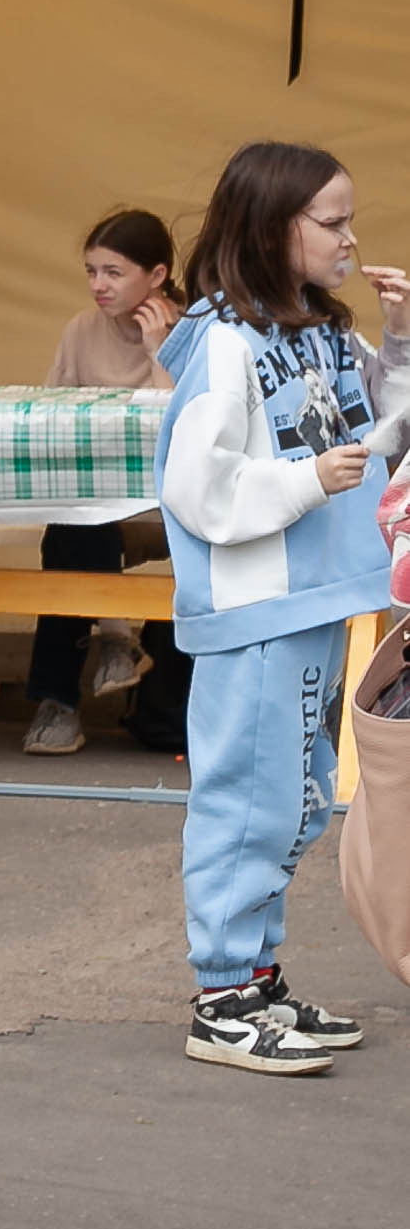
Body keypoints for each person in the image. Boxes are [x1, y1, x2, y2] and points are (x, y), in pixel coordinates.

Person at [156, 140, 388, 1078]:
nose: (349, 237)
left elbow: (390, 435)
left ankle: (255, 980)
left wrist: (401, 339)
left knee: (293, 798)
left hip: (318, 597)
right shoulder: (221, 339)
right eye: (330, 221)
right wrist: (301, 481)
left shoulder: (326, 331)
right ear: (270, 227)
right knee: (248, 799)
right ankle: (221, 999)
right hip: (258, 609)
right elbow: (192, 484)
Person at [23, 210, 188, 758]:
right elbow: (52, 414)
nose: (98, 286)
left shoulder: (192, 327)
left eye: (113, 273)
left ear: (157, 275)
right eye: (92, 271)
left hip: (177, 505)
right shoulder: (80, 330)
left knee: (76, 528)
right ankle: (69, 694)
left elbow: (181, 427)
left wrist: (157, 350)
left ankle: (96, 662)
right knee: (71, 528)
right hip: (102, 508)